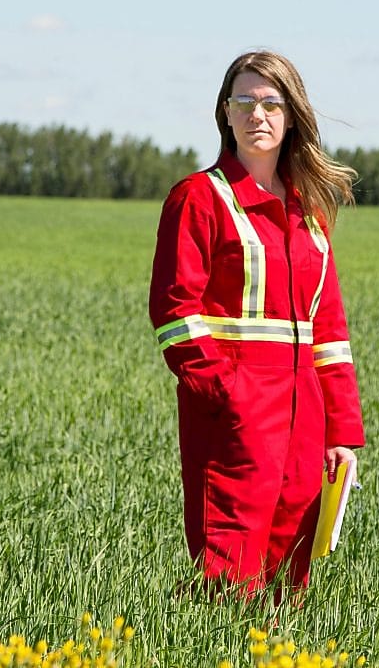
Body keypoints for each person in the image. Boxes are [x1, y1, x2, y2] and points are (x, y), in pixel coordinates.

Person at [149, 50, 365, 597]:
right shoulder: (199, 198)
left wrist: (341, 432)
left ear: (291, 115)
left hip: (306, 416)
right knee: (228, 562)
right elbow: (176, 314)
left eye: (271, 103)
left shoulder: (309, 211)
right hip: (234, 413)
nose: (257, 115)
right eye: (244, 101)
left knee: (291, 568)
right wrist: (228, 394)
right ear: (225, 113)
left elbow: (330, 332)